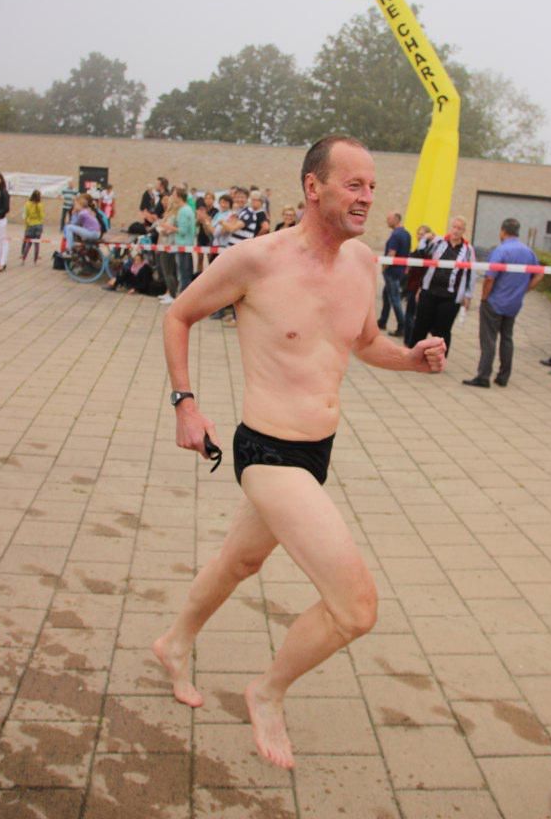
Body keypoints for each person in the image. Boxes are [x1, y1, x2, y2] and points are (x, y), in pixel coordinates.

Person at [153, 135, 446, 770]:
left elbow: (363, 342)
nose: (367, 197)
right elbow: (177, 316)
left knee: (239, 562)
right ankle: (268, 691)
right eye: (353, 184)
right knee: (355, 608)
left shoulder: (362, 263)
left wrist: (411, 359)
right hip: (266, 452)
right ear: (314, 187)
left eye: (372, 186)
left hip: (318, 451)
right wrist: (185, 404)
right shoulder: (256, 261)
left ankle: (174, 642)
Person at [463, 218, 543, 388]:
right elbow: (539, 274)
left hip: (495, 302)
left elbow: (489, 278)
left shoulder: (500, 250)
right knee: (507, 339)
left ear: (502, 231)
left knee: (488, 339)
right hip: (514, 303)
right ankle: (503, 376)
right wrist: (524, 290)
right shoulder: (528, 252)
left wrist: (484, 298)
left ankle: (483, 376)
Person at [411, 215, 476, 354]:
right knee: (420, 325)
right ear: (450, 227)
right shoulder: (438, 242)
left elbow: (472, 273)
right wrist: (425, 238)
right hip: (429, 291)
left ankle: (438, 358)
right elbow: (421, 252)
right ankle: (413, 355)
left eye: (459, 228)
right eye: (454, 227)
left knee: (442, 330)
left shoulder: (468, 249)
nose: (456, 230)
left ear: (464, 231)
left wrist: (468, 295)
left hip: (450, 297)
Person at [377, 212, 411, 338]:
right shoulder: (406, 234)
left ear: (396, 220)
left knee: (395, 299)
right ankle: (382, 321)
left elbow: (391, 254)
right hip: (400, 271)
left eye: (389, 218)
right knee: (386, 295)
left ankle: (402, 326)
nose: (387, 220)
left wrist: (384, 268)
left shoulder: (395, 235)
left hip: (392, 272)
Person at [403, 225, 433, 348]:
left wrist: (420, 288)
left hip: (418, 286)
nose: (419, 236)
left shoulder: (426, 250)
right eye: (418, 233)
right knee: (410, 313)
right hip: (411, 284)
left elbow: (425, 271)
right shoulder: (419, 248)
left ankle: (410, 340)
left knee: (412, 315)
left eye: (422, 234)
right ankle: (408, 339)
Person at [155, 189, 181, 305]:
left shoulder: (174, 215)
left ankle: (173, 294)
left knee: (169, 271)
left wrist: (162, 229)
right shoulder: (168, 214)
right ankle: (169, 292)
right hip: (164, 244)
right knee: (166, 271)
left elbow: (169, 229)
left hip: (169, 245)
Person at [175, 189, 195, 293]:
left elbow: (182, 230)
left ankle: (184, 294)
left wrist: (169, 227)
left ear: (178, 197)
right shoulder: (188, 209)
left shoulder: (183, 211)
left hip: (183, 244)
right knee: (186, 271)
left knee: (184, 272)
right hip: (187, 244)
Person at [195, 191, 218, 273]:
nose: (208, 200)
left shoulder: (215, 211)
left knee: (210, 260)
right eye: (206, 198)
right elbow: (197, 223)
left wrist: (204, 217)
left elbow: (211, 221)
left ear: (213, 200)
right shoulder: (201, 209)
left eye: (210, 198)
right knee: (199, 259)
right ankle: (198, 275)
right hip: (201, 236)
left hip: (210, 237)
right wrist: (199, 218)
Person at [21, 190, 45, 264]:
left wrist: (26, 225)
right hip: (38, 225)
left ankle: (23, 259)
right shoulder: (40, 205)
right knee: (37, 243)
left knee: (29, 243)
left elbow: (26, 215)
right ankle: (35, 260)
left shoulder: (27, 204)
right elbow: (42, 216)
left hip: (30, 225)